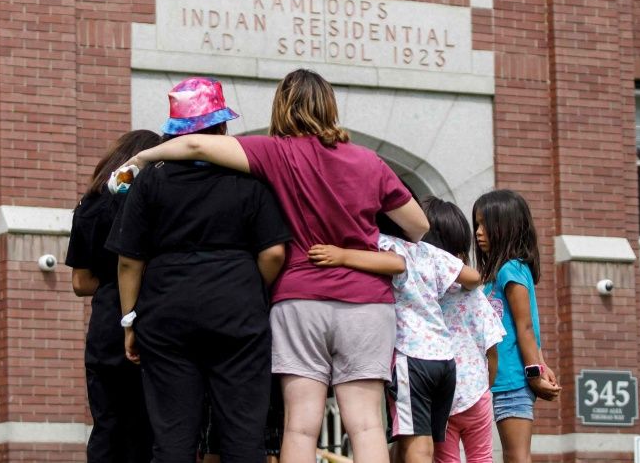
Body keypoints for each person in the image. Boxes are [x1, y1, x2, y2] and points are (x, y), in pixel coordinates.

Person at [129, 68, 430, 463]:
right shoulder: (369, 161)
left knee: (299, 426)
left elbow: (197, 148)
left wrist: (142, 156)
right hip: (366, 304)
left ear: (282, 107)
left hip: (298, 301)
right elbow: (419, 226)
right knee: (367, 425)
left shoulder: (274, 152)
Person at [107, 77, 291, 463]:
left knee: (173, 436)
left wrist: (129, 320)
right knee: (243, 435)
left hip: (166, 311)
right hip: (237, 312)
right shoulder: (249, 180)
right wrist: (248, 288)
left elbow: (129, 260)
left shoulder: (151, 181)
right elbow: (274, 252)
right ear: (222, 127)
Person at [307, 212, 480, 463]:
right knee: (419, 445)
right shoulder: (430, 252)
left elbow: (396, 263)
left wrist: (342, 256)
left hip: (412, 358)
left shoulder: (383, 243)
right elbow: (473, 278)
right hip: (444, 358)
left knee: (417, 448)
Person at [66, 129, 161, 463]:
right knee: (149, 430)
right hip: (147, 321)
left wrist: (109, 280)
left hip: (104, 329)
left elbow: (80, 281)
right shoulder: (149, 201)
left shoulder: (89, 205)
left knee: (106, 425)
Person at [471, 190, 560, 463]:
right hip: (495, 381)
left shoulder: (511, 269)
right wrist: (543, 365)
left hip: (513, 382)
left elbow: (525, 328)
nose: (478, 232)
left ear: (506, 227)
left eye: (486, 225)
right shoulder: (495, 275)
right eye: (476, 224)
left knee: (517, 457)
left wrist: (535, 374)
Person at [421, 197, 505, 463]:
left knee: (445, 460)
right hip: (476, 394)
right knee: (482, 458)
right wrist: (484, 387)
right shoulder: (473, 295)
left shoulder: (422, 297)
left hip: (440, 397)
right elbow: (492, 349)